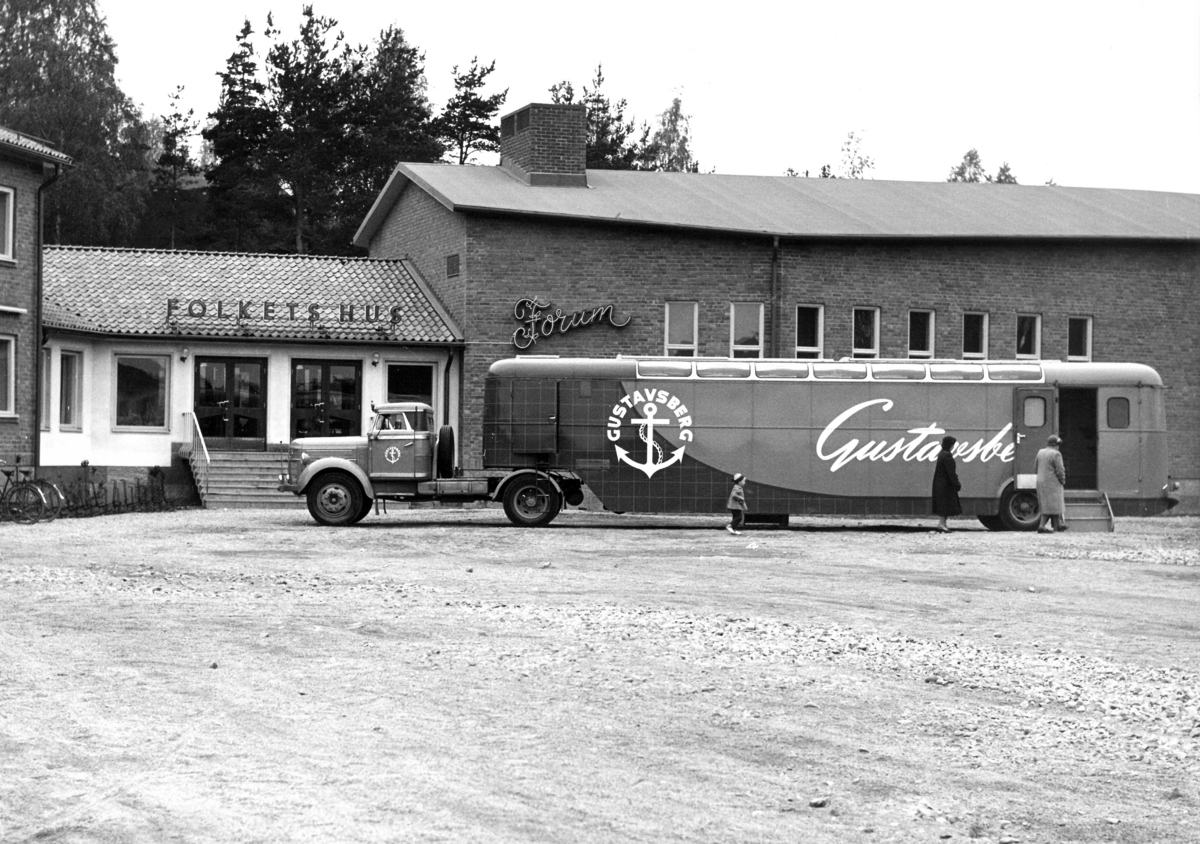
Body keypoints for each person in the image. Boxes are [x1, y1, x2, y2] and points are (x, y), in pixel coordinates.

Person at [1035, 434, 1068, 533]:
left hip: (1040, 481)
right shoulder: (1056, 454)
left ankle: (1058, 525)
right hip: (1053, 482)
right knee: (1054, 503)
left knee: (1049, 503)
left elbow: (1035, 467)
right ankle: (1042, 526)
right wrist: (1062, 480)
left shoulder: (1040, 452)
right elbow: (1060, 470)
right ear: (1055, 445)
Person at [931, 435, 962, 533]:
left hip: (941, 484)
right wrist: (957, 483)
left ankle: (942, 524)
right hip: (946, 485)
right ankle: (942, 524)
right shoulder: (947, 455)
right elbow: (951, 472)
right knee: (945, 505)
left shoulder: (942, 454)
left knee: (943, 504)